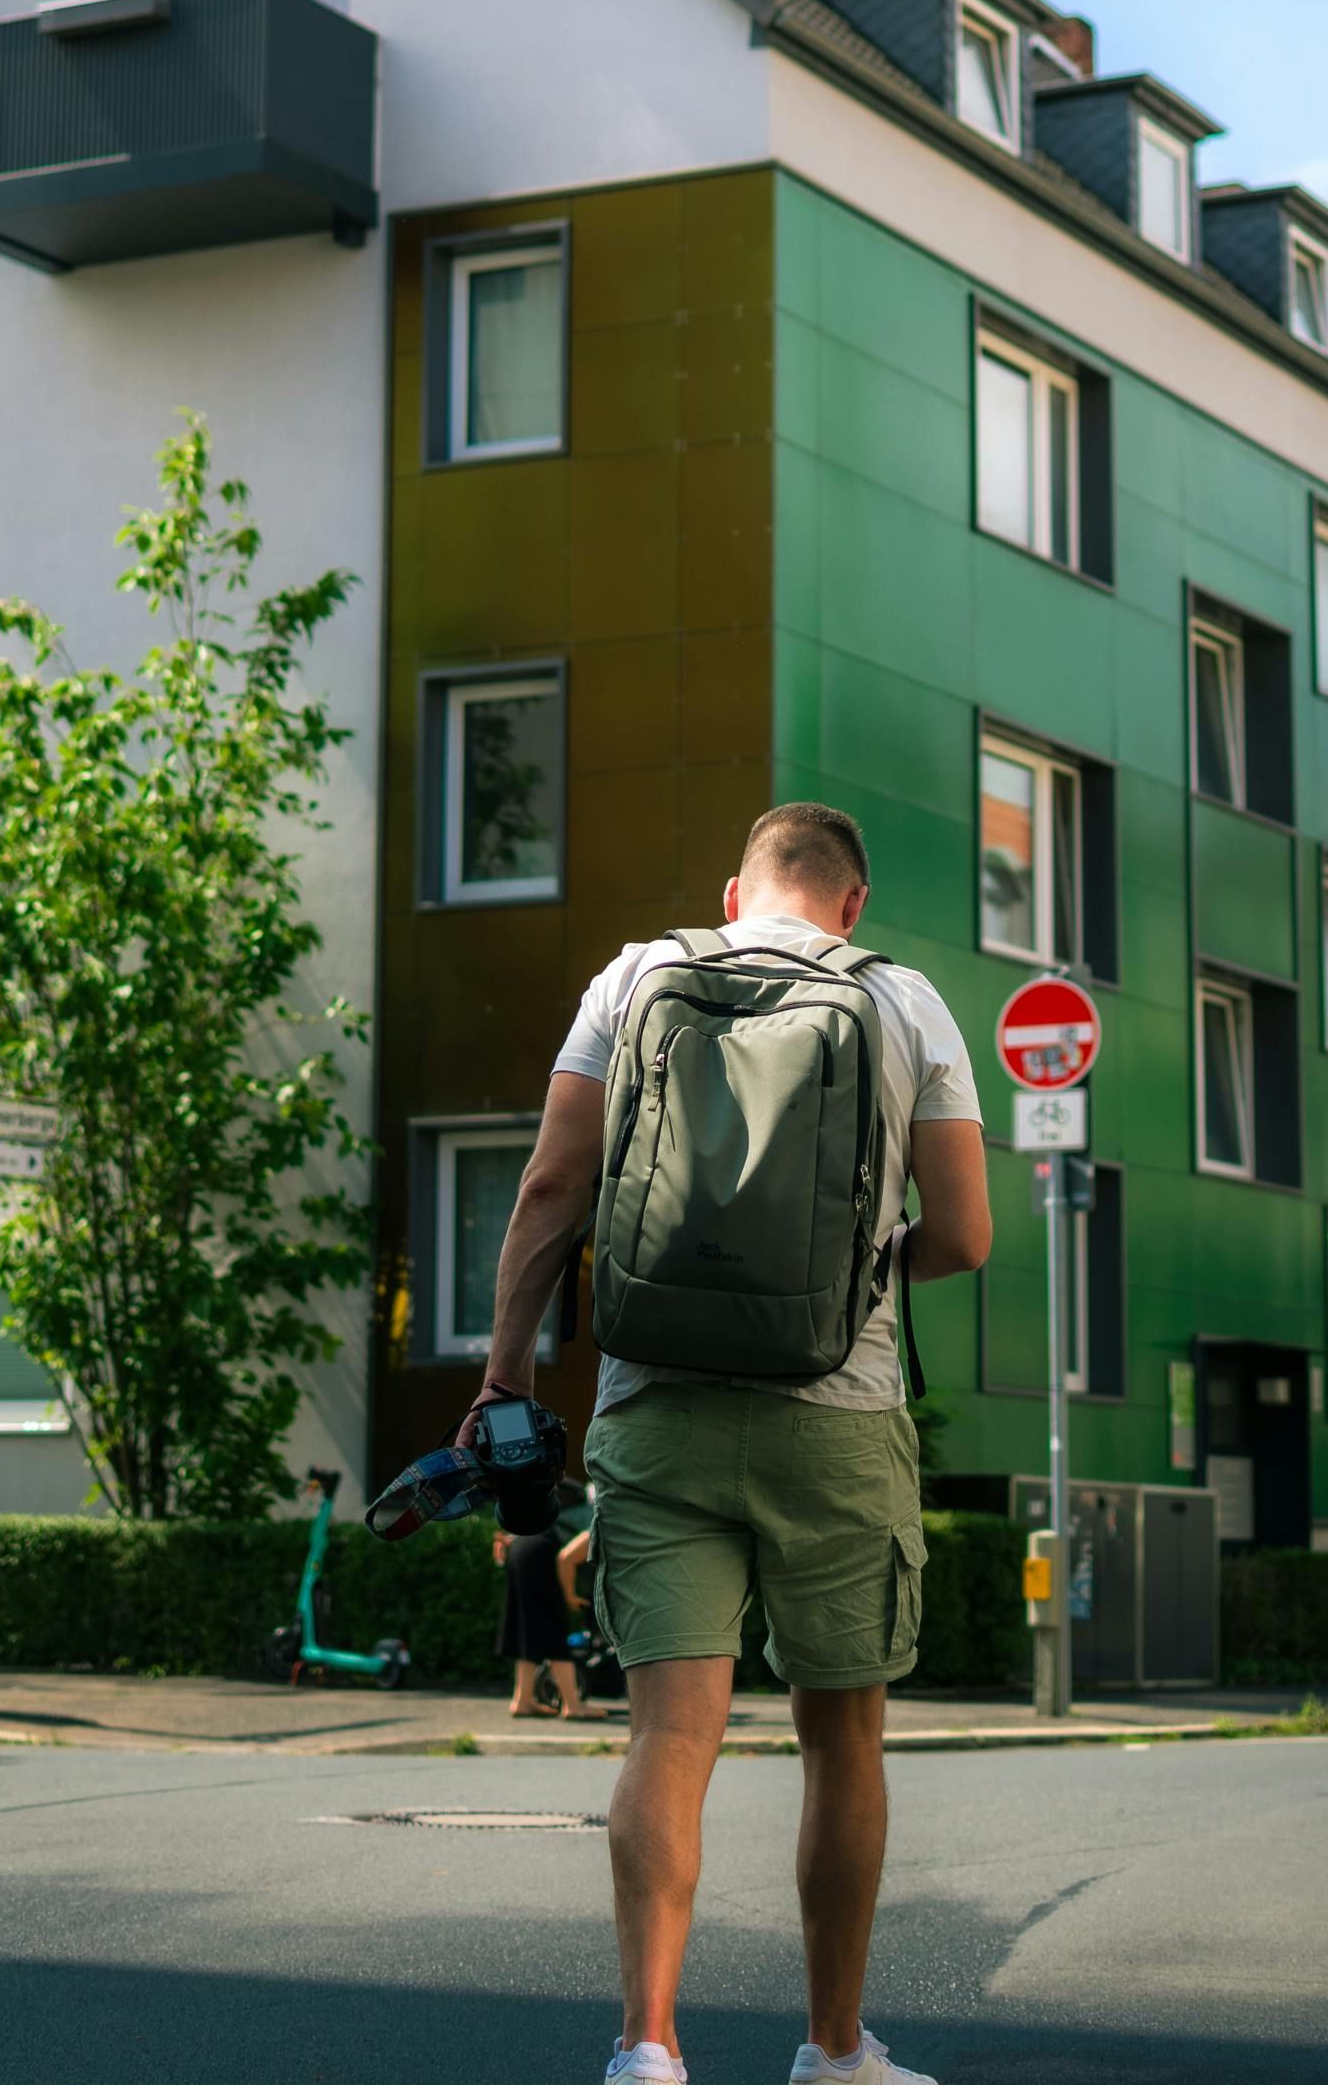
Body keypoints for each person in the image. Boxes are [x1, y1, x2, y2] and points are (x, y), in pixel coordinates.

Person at [462, 801, 993, 2085]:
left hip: (660, 1408)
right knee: (842, 1741)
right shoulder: (905, 1000)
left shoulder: (637, 976)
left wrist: (505, 1371)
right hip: (841, 1415)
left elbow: (549, 1189)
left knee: (669, 1736)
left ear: (734, 887)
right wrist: (867, 1277)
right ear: (850, 901)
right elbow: (966, 1236)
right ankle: (832, 2049)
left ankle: (647, 2046)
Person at [495, 1484, 602, 1720]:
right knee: (554, 1628)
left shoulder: (575, 1511)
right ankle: (573, 1706)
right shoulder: (599, 1517)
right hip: (540, 1554)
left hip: (521, 1545)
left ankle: (522, 1700)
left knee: (527, 1630)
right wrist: (569, 1596)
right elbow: (566, 1558)